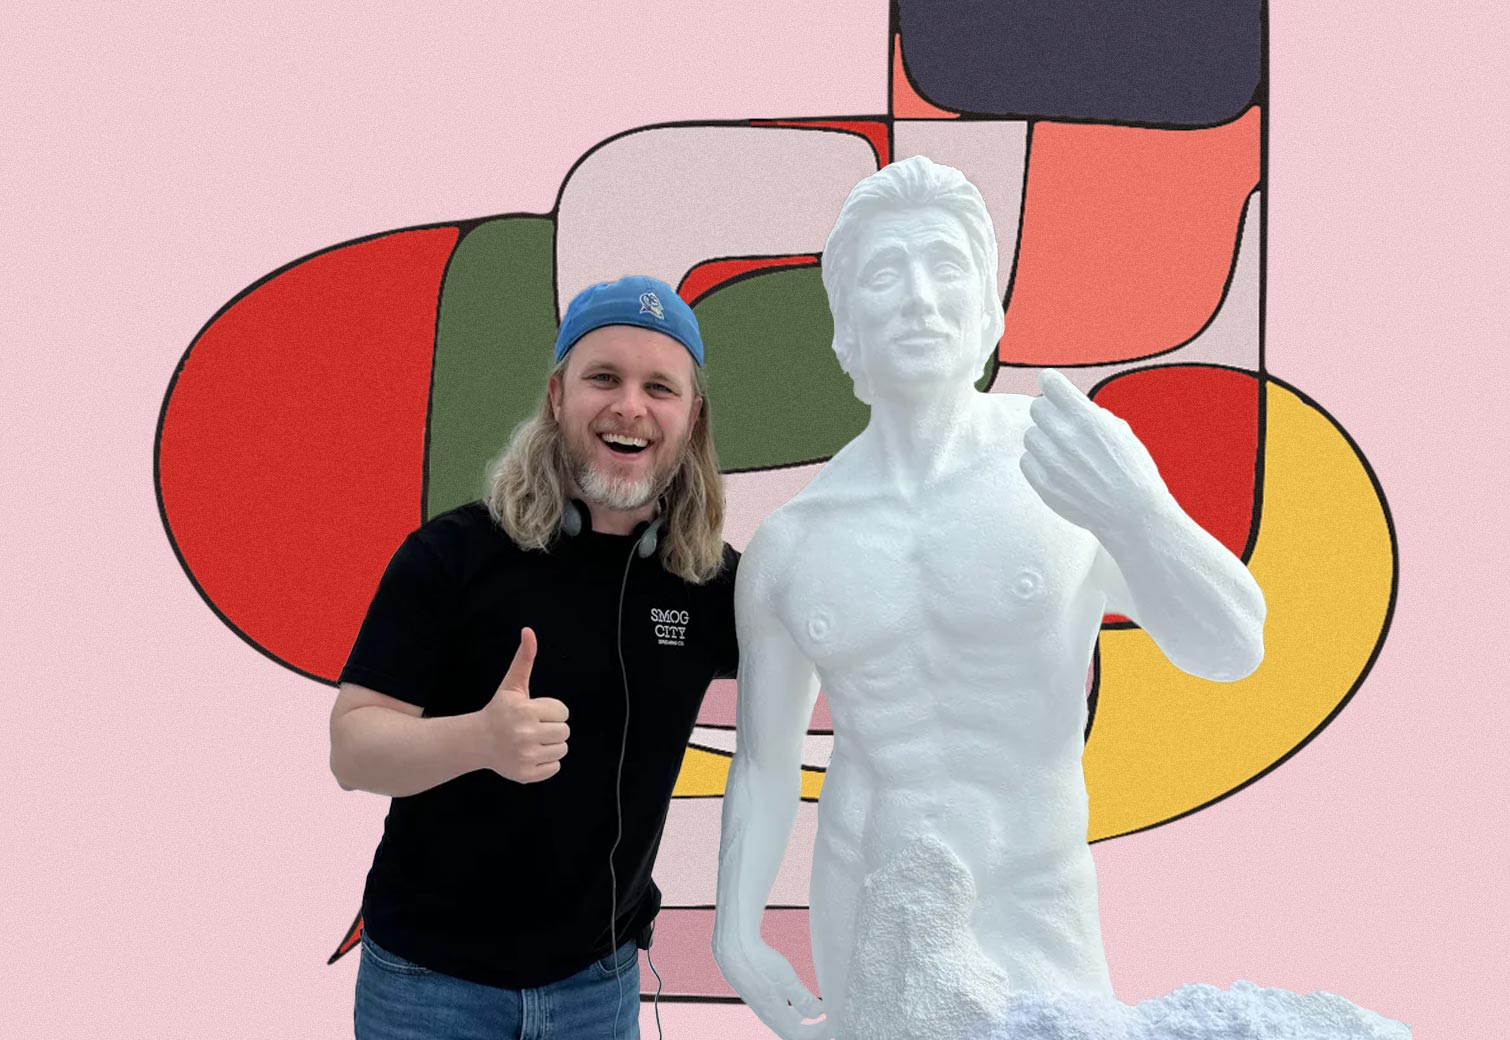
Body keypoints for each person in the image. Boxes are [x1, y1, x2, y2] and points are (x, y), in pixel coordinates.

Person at [710, 157, 1268, 1040]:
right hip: (868, 904)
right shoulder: (792, 543)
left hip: (1034, 900)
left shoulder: (1067, 461)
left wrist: (1139, 516)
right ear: (844, 326)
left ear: (988, 310)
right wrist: (736, 930)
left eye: (946, 265)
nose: (919, 298)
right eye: (884, 274)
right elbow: (765, 762)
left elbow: (1232, 647)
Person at [331, 275, 740, 1040]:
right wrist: (479, 740)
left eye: (660, 387)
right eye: (603, 378)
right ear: (557, 397)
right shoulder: (451, 556)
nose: (630, 406)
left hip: (598, 991)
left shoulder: (710, 583)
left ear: (692, 418)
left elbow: (860, 642)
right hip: (430, 989)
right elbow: (352, 749)